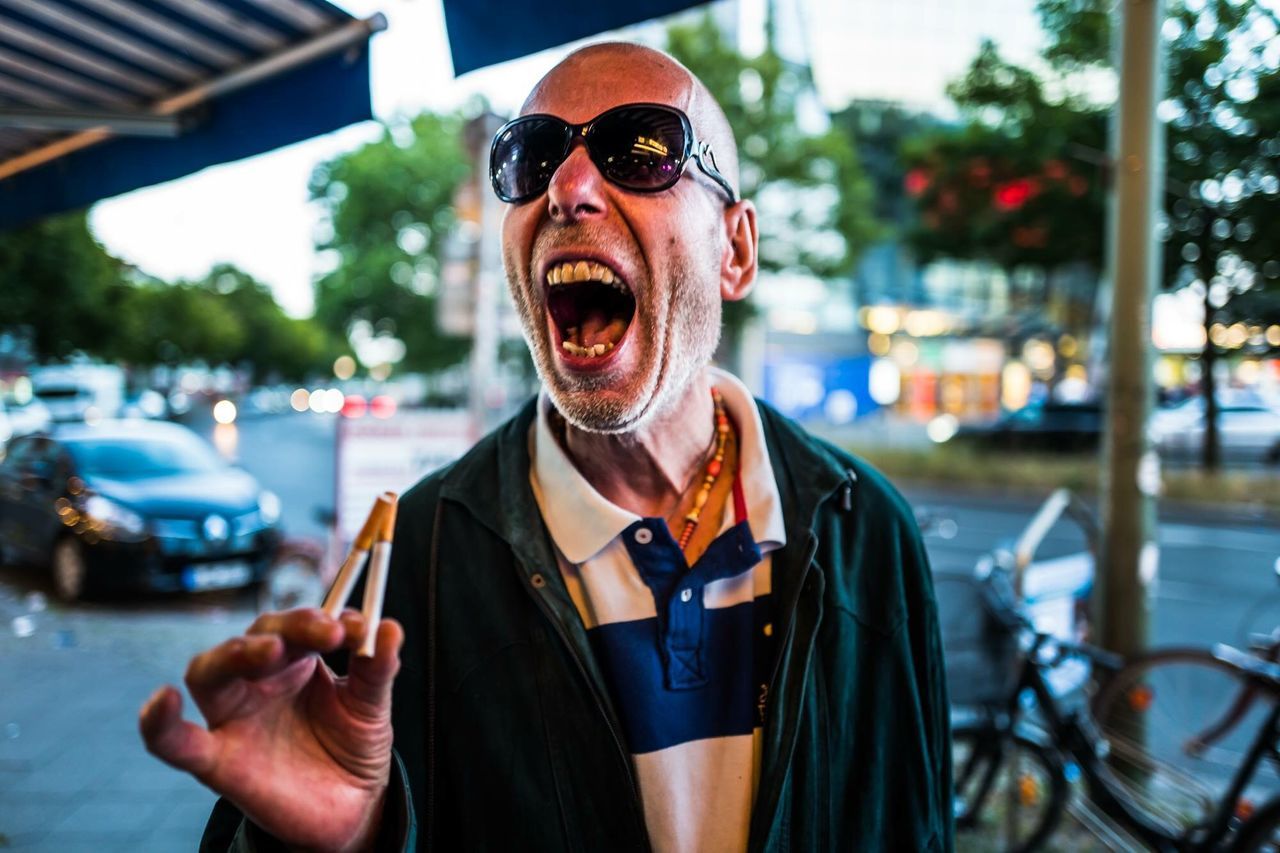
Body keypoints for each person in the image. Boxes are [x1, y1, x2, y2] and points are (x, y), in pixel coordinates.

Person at [140, 42, 952, 852]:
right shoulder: (415, 564)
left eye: (642, 149)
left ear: (734, 248)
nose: (567, 187)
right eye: (529, 160)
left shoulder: (865, 531)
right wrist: (343, 842)